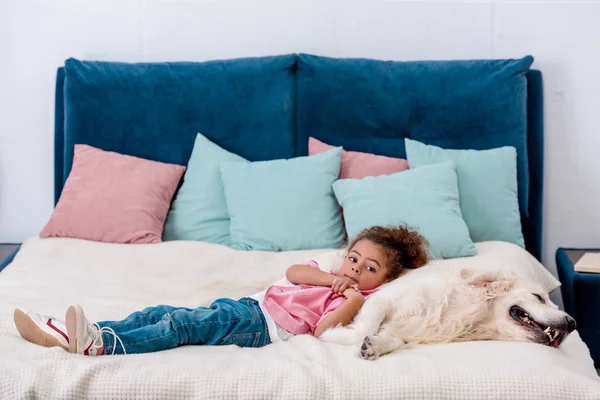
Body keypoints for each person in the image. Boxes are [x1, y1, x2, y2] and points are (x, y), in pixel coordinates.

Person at [13, 225, 429, 356]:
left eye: (368, 268)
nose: (355, 269)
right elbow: (294, 271)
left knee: (180, 325)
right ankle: (77, 333)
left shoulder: (365, 301)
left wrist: (352, 298)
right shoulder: (329, 269)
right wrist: (332, 278)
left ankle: (102, 346)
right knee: (158, 311)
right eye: (354, 258)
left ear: (385, 281)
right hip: (251, 306)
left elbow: (322, 332)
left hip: (260, 329)